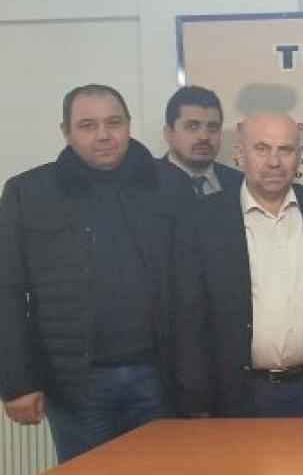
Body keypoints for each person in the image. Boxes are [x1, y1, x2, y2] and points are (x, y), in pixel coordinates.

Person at [0, 84, 180, 462]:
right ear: (65, 132)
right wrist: (17, 382)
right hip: (76, 385)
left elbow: (194, 285)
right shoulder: (28, 193)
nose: (103, 135)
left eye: (114, 123)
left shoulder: (169, 185)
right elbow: (7, 291)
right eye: (87, 125)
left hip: (160, 377)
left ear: (128, 125)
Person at [174, 112, 303, 417]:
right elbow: (190, 316)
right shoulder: (203, 221)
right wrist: (196, 396)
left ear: (299, 156)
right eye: (261, 148)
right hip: (240, 392)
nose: (274, 162)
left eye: (285, 150)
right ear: (239, 154)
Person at [157, 85, 241, 196]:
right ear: (168, 133)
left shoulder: (241, 185)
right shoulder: (144, 185)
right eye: (192, 126)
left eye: (212, 127)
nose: (204, 136)